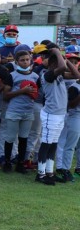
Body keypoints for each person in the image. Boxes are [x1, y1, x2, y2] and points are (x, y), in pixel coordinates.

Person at [35, 45, 76, 184]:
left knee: (53, 144)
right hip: (51, 115)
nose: (61, 64)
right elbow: (62, 67)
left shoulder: (59, 75)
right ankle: (40, 174)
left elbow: (77, 75)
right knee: (46, 144)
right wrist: (58, 52)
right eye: (59, 62)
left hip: (59, 114)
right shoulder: (47, 75)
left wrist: (66, 59)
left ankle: (49, 172)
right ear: (53, 64)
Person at [55, 53, 80, 182]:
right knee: (69, 144)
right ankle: (64, 169)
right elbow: (71, 105)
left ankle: (77, 168)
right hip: (74, 116)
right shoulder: (74, 87)